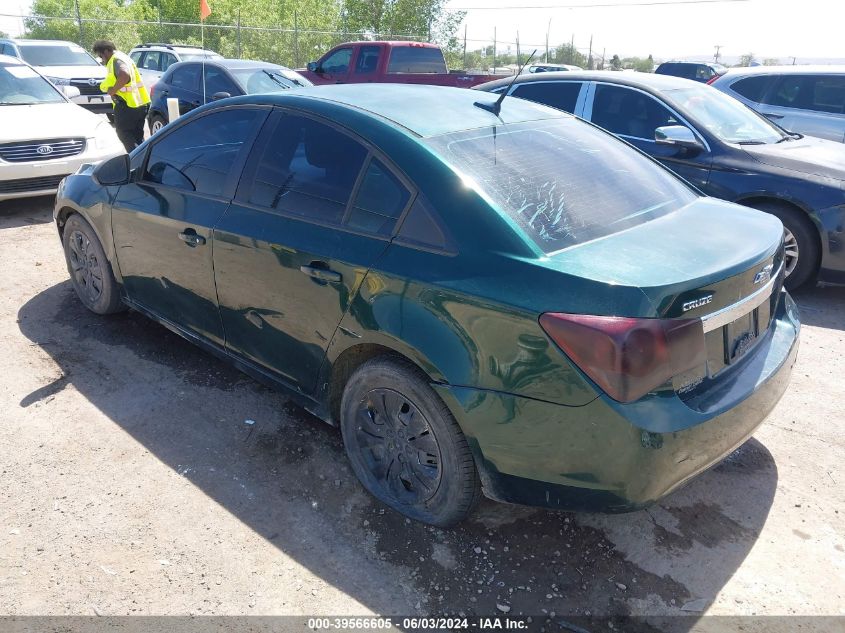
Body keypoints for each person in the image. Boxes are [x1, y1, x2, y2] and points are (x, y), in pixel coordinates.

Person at [92, 40, 150, 152]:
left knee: (124, 133)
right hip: (140, 104)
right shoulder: (124, 57)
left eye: (100, 56)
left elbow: (124, 74)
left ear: (106, 51)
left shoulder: (116, 60)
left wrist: (113, 90)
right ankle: (143, 162)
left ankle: (135, 162)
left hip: (127, 105)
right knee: (137, 137)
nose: (101, 59)